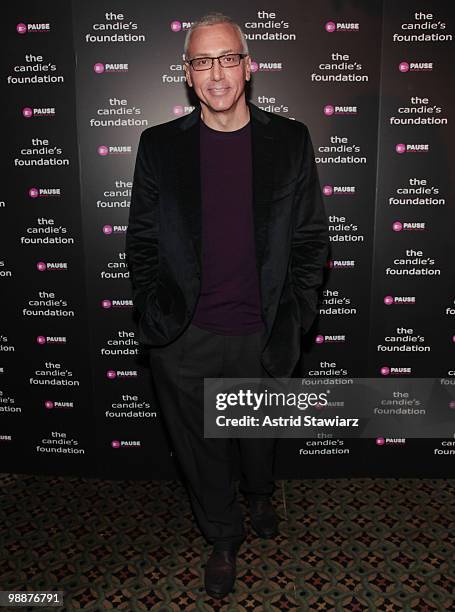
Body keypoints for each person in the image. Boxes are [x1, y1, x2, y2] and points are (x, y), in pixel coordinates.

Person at [125, 12, 329, 599]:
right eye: (201, 61)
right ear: (187, 76)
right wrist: (156, 309)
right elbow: (140, 241)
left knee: (257, 440)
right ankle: (221, 533)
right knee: (203, 449)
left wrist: (296, 316)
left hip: (263, 332)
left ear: (249, 65)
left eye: (226, 58)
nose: (216, 73)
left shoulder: (290, 140)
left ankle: (261, 493)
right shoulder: (158, 146)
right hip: (185, 336)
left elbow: (312, 239)